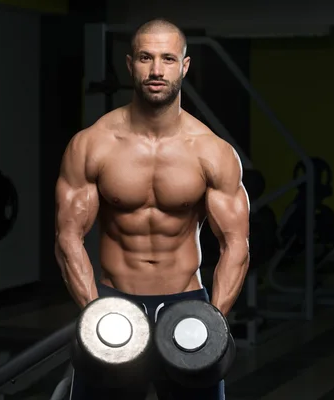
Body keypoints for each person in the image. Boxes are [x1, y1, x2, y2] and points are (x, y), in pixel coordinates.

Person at [55, 18, 250, 400]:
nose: (156, 70)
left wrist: (215, 318)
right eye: (146, 58)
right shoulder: (93, 144)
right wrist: (94, 312)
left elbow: (236, 244)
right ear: (130, 64)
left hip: (187, 304)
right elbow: (68, 237)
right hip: (114, 302)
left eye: (167, 58)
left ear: (185, 65)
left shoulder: (212, 151)